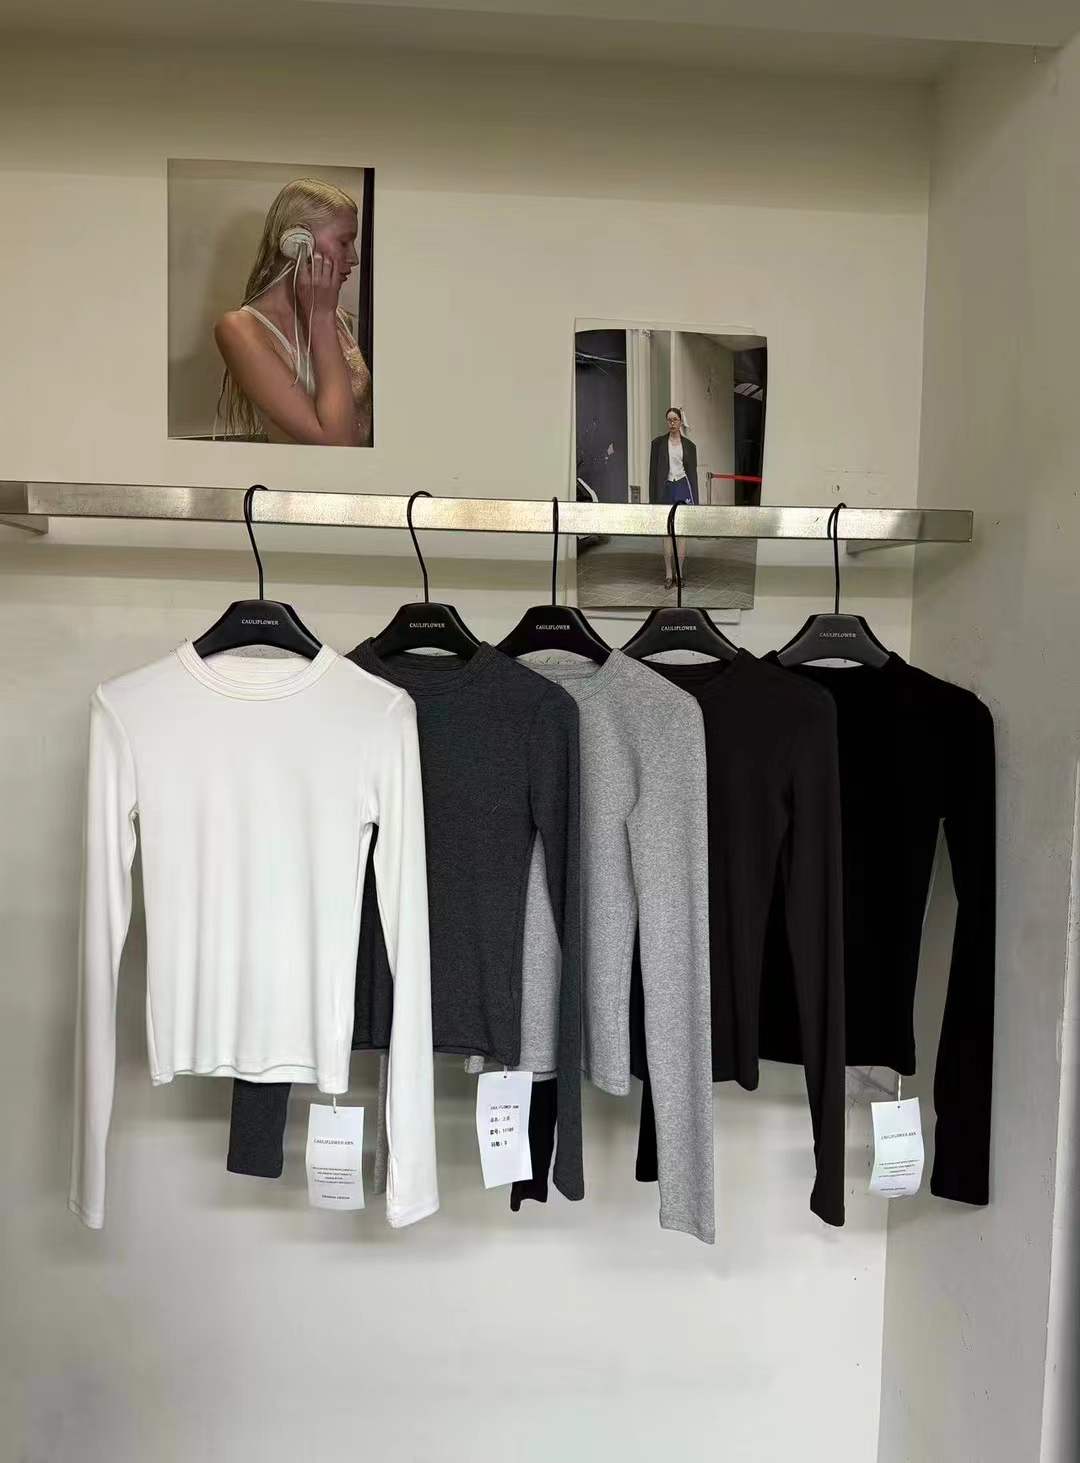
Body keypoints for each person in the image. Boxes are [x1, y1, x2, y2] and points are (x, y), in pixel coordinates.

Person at [214, 178, 372, 446]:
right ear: (298, 242)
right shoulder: (238, 330)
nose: (354, 258)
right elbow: (338, 444)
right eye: (344, 242)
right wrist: (320, 319)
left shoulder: (340, 318)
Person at [648, 406, 698, 588]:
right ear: (666, 422)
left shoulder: (690, 446)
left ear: (680, 422)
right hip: (666, 488)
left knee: (682, 532)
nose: (672, 423)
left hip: (683, 487)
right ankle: (669, 574)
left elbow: (693, 475)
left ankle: (680, 573)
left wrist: (696, 502)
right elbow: (653, 475)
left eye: (675, 419)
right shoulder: (658, 444)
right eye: (669, 420)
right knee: (667, 533)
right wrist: (653, 501)